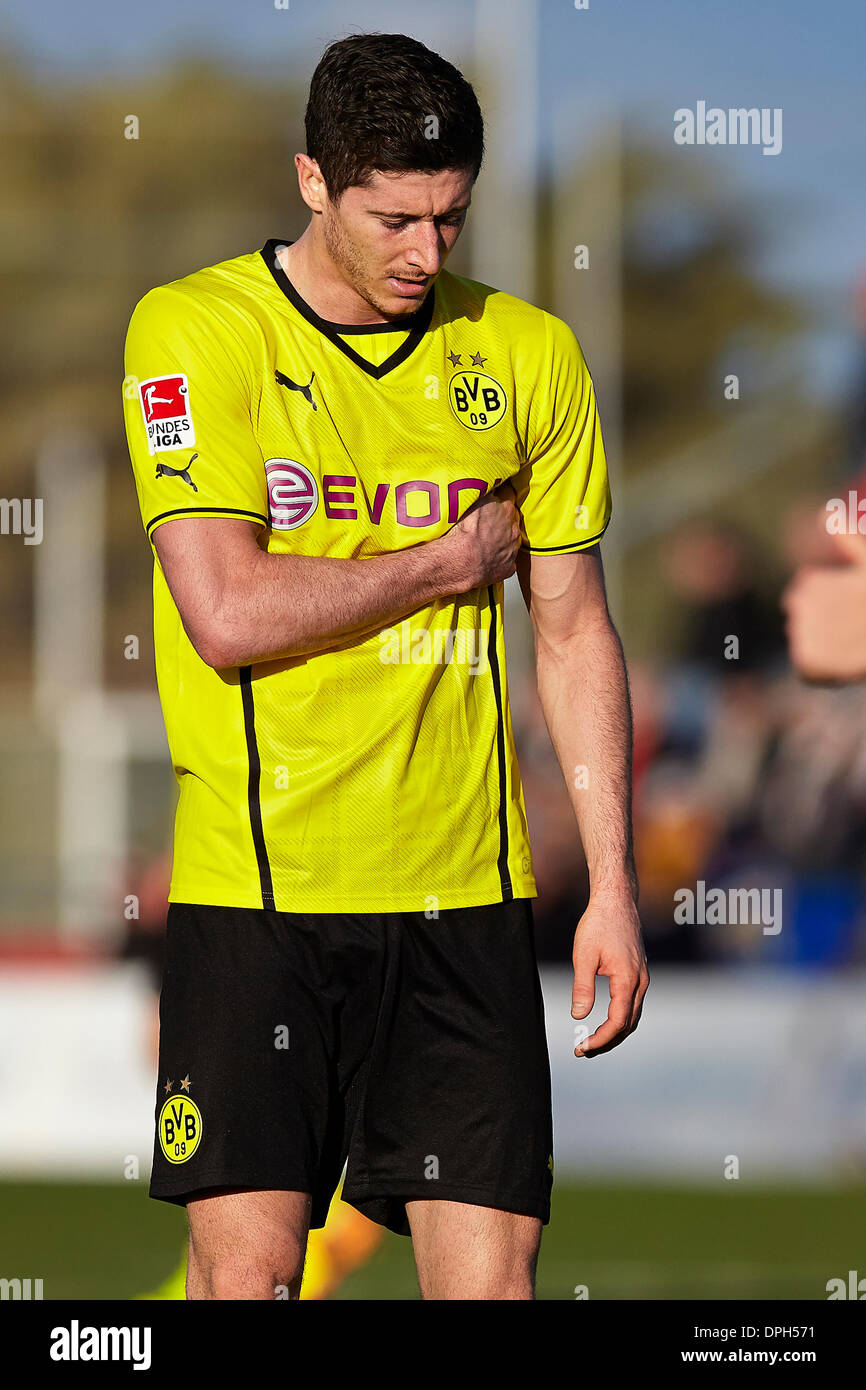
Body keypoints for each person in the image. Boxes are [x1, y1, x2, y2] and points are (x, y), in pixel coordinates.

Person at [122, 31, 648, 1302]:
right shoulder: (195, 331)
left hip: (465, 902)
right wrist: (447, 559)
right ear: (312, 181)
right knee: (244, 1277)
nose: (426, 251)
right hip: (261, 899)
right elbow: (229, 613)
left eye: (450, 218)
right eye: (393, 218)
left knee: (492, 1285)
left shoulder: (527, 356)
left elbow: (572, 629)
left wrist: (612, 883)